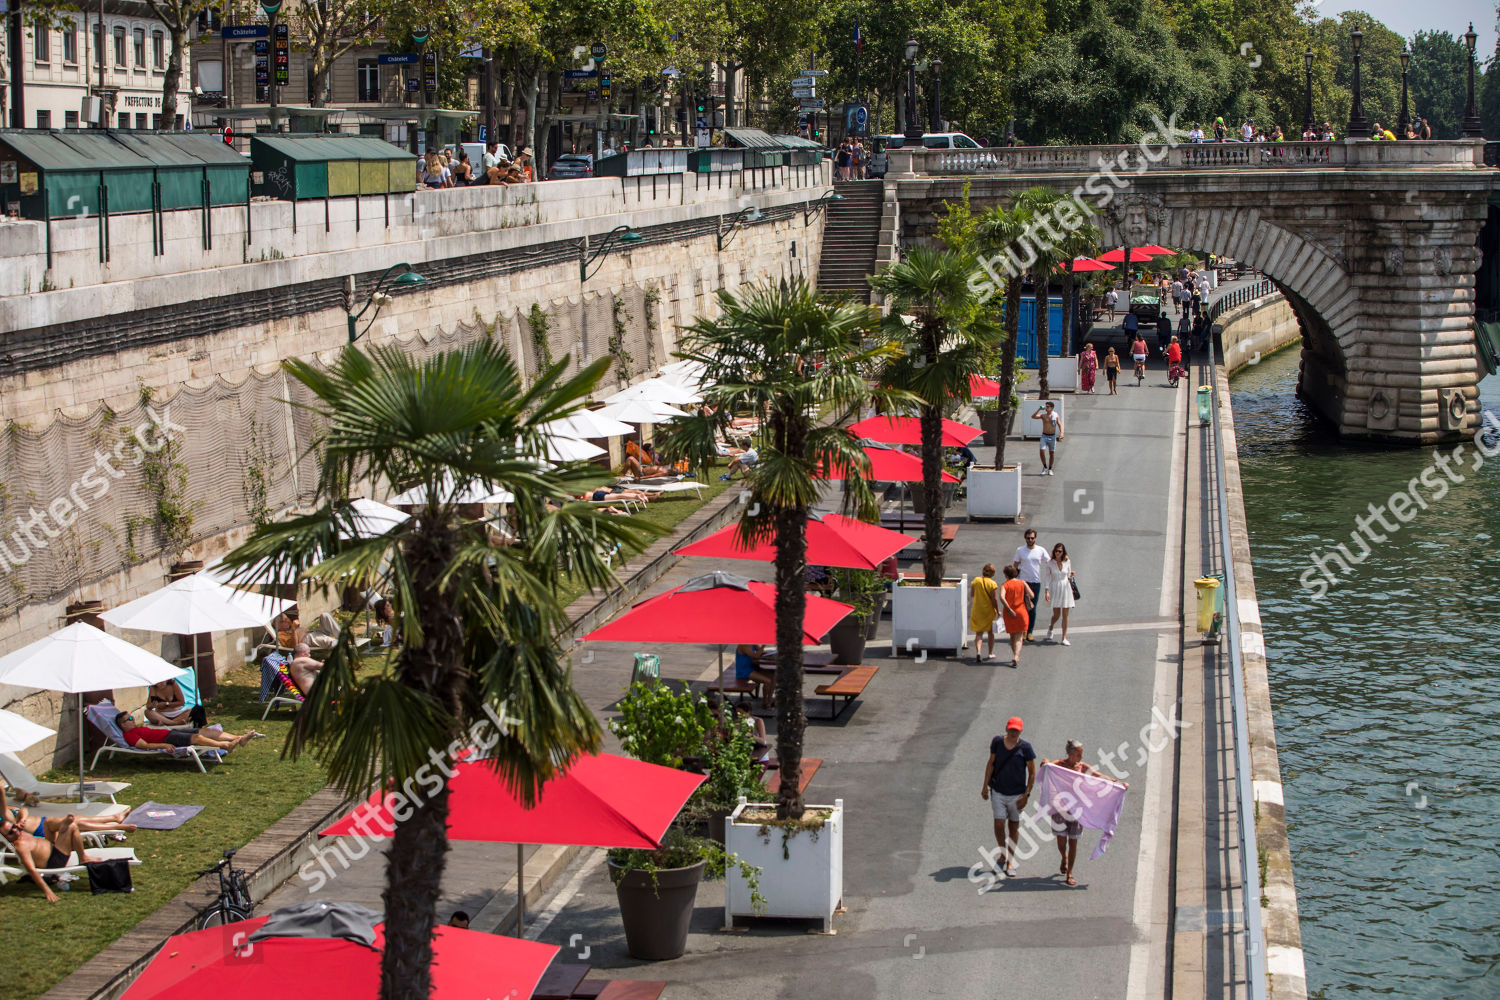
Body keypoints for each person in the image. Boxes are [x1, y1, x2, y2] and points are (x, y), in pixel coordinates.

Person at [1040, 738, 1127, 886]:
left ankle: (1070, 873)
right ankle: (1064, 857)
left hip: (1077, 811)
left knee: (1073, 842)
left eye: (1081, 754)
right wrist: (1045, 762)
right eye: (1079, 754)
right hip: (1060, 809)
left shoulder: (1082, 767)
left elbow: (1100, 777)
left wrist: (1117, 783)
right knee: (1061, 841)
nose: (1081, 757)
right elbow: (1045, 766)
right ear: (1070, 754)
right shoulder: (1059, 765)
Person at [980, 716, 1036, 878]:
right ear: (1006, 728)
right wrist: (985, 786)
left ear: (1021, 731)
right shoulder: (997, 742)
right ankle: (1002, 853)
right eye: (1011, 729)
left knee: (1013, 826)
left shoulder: (1025, 748)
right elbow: (991, 763)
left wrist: (1026, 795)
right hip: (998, 791)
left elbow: (1032, 772)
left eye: (1016, 730)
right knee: (999, 824)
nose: (1013, 732)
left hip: (1016, 795)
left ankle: (1010, 860)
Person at [0, 811, 100, 900]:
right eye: (10, 832)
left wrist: (22, 819)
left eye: (13, 827)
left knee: (47, 822)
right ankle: (83, 857)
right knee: (72, 826)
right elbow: (31, 870)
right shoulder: (21, 846)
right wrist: (48, 891)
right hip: (54, 861)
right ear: (7, 838)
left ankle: (62, 825)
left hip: (52, 846)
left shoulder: (20, 831)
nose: (14, 830)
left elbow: (23, 810)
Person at [117, 711, 260, 751]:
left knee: (204, 731)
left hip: (170, 732)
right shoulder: (129, 734)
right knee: (196, 738)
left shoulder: (136, 728)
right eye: (128, 719)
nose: (132, 719)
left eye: (131, 716)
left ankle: (240, 738)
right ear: (123, 725)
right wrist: (163, 745)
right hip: (167, 739)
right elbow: (144, 746)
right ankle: (225, 746)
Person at [998, 565, 1032, 668]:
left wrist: (1009, 609)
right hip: (1021, 612)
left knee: (1012, 636)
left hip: (1009, 613)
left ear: (1005, 574)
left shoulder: (1005, 585)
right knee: (1019, 637)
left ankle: (1014, 655)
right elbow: (1032, 595)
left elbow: (1001, 597)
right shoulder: (1022, 583)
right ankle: (1016, 656)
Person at [1042, 542, 1076, 645]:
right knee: (1056, 615)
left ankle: (1064, 638)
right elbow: (1047, 577)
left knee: (1065, 615)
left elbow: (1069, 575)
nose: (1058, 553)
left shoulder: (1067, 561)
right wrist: (1046, 591)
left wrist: (1071, 574)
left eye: (1060, 551)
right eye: (1056, 551)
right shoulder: (1050, 563)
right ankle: (1051, 626)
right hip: (1055, 587)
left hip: (1065, 587)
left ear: (1063, 552)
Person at [969, 563, 1001, 663]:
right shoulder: (992, 584)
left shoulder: (976, 581)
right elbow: (994, 599)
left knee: (979, 633)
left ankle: (978, 651)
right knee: (990, 633)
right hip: (988, 611)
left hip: (977, 610)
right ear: (992, 573)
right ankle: (990, 652)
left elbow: (972, 594)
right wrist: (997, 609)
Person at [734, 643, 775, 709]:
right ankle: (765, 702)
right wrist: (764, 645)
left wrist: (770, 653)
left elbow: (760, 651)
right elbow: (756, 655)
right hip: (744, 671)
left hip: (752, 667)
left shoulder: (752, 643)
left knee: (773, 676)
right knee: (768, 681)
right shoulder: (743, 645)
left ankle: (769, 700)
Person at [1032, 401, 1063, 476]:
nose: (1046, 408)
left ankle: (1050, 468)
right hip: (1044, 436)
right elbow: (1033, 416)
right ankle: (1045, 467)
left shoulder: (1055, 415)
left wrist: (1062, 432)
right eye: (1046, 406)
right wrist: (1039, 409)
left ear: (1052, 408)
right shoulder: (1043, 415)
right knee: (1042, 451)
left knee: (1051, 453)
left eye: (1048, 407)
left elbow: (1059, 424)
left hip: (1052, 436)